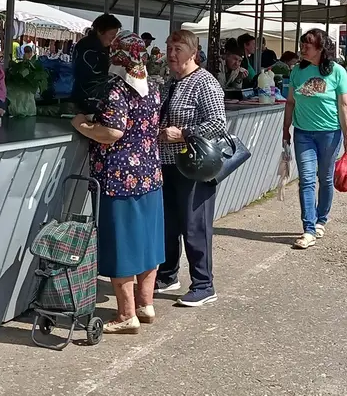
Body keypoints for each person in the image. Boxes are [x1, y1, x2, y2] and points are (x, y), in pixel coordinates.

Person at [70, 32, 163, 334]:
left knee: (120, 244)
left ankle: (126, 314)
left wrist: (82, 125)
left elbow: (112, 132)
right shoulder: (153, 88)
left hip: (118, 180)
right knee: (148, 240)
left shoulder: (116, 90)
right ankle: (145, 304)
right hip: (150, 174)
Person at [156, 29, 228, 307]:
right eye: (169, 48)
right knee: (169, 224)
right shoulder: (170, 82)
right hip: (167, 163)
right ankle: (168, 274)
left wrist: (184, 133)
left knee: (194, 226)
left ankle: (203, 284)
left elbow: (218, 124)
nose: (172, 55)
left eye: (178, 49)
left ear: (193, 52)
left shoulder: (204, 83)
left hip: (194, 166)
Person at [282, 28, 347, 249]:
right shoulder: (297, 71)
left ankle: (322, 218)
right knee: (306, 179)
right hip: (303, 133)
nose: (303, 48)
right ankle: (309, 229)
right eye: (302, 44)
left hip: (329, 134)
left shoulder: (337, 72)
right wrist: (286, 129)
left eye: (308, 45)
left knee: (325, 178)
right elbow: (291, 102)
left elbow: (344, 106)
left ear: (321, 49)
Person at [72, 14, 123, 114]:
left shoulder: (101, 47)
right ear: (100, 31)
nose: (114, 38)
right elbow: (92, 76)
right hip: (86, 98)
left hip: (93, 97)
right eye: (112, 34)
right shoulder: (88, 47)